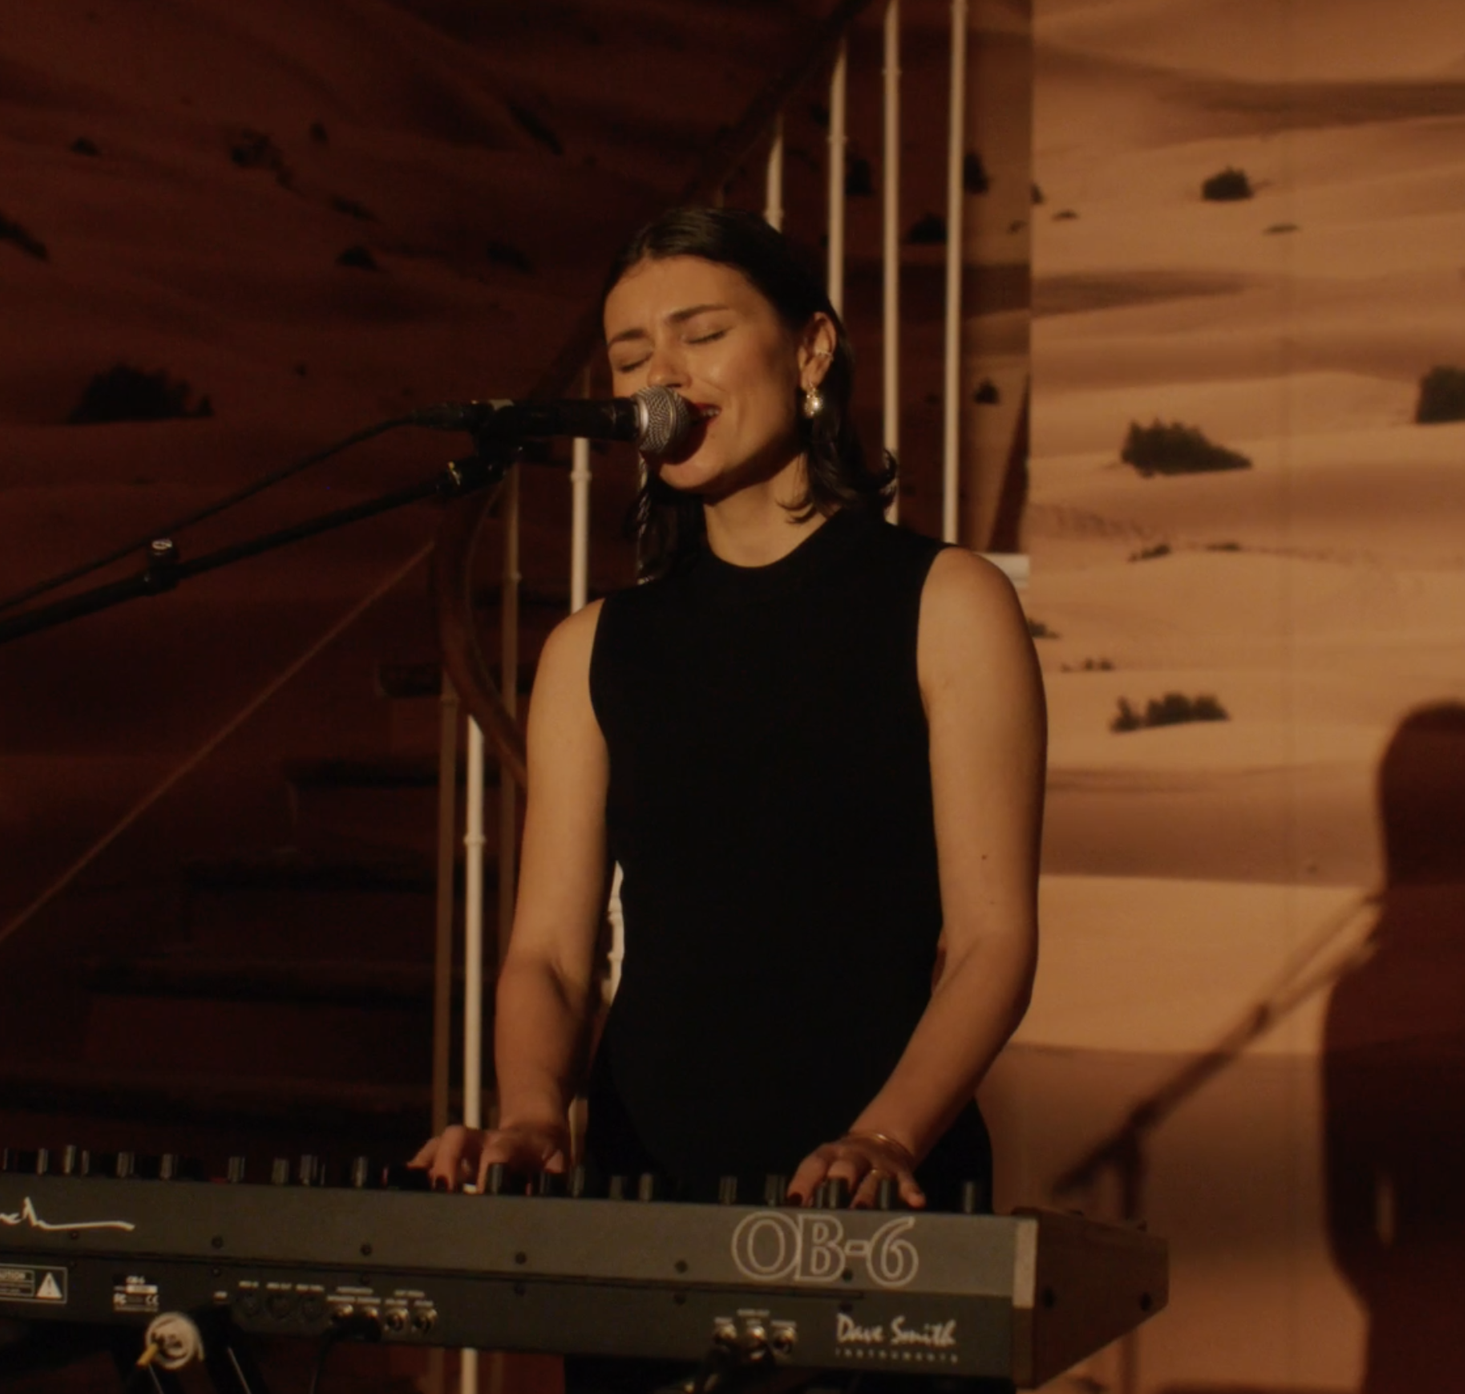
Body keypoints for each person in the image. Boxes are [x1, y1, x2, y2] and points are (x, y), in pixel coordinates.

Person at [410, 205, 1044, 1218]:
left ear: (811, 351)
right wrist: (531, 1111)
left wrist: (884, 1134)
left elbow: (991, 941)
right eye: (629, 355)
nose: (660, 374)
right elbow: (549, 956)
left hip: (877, 1186)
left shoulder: (946, 604)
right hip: (644, 1179)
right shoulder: (589, 650)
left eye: (700, 336)